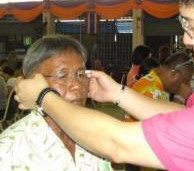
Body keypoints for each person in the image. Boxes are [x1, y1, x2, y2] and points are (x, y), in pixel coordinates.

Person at [14, 0, 194, 170]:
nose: (186, 39)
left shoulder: (92, 145)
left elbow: (116, 143)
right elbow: (184, 116)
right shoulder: (12, 150)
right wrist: (115, 93)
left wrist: (43, 96)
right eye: (62, 75)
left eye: (192, 26)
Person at [0, 35, 112, 170]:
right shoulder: (10, 149)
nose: (76, 85)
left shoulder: (98, 137)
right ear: (31, 82)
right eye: (62, 76)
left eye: (81, 74)